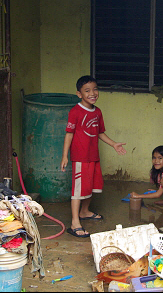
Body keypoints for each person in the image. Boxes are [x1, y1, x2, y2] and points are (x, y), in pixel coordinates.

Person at [60, 75, 127, 237]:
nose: (93, 93)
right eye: (87, 90)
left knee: (91, 187)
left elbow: (100, 133)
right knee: (78, 191)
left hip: (93, 157)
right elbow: (69, 134)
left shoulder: (97, 112)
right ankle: (75, 222)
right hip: (80, 158)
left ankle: (84, 211)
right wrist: (65, 156)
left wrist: (113, 144)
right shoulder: (75, 111)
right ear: (79, 94)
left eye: (95, 89)